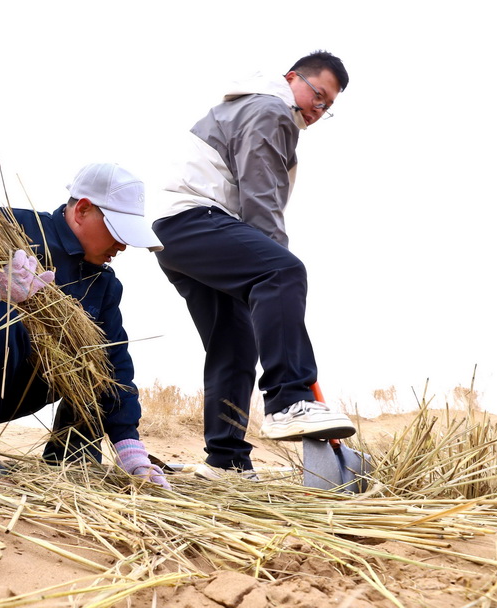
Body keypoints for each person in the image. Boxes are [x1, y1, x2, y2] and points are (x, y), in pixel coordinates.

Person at [151, 50, 357, 474]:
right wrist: (273, 261)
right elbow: (260, 199)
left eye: (327, 107)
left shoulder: (256, 107)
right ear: (292, 78)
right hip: (195, 217)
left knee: (234, 343)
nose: (317, 110)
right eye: (317, 95)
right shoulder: (269, 108)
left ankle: (225, 460)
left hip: (176, 233)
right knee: (283, 271)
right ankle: (290, 400)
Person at [0, 162, 170, 488]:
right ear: (84, 210)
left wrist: (129, 446)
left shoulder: (105, 285)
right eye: (119, 232)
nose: (123, 246)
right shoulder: (8, 226)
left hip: (20, 390)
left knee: (88, 349)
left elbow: (114, 366)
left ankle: (72, 458)